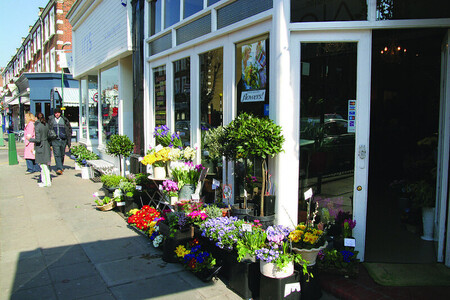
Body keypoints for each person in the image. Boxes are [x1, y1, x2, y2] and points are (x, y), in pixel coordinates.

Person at [48, 107, 72, 175]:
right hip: (55, 140)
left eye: (58, 113)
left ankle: (61, 165)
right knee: (57, 154)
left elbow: (69, 129)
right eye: (55, 113)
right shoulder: (51, 120)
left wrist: (68, 139)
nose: (57, 114)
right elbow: (49, 129)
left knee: (62, 154)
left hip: (63, 140)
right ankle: (59, 168)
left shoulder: (64, 120)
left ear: (60, 113)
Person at [29, 112, 51, 187]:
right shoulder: (46, 124)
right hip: (46, 145)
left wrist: (30, 139)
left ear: (36, 118)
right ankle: (46, 181)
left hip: (41, 147)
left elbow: (38, 140)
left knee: (43, 166)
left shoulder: (38, 126)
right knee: (46, 166)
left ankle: (46, 182)